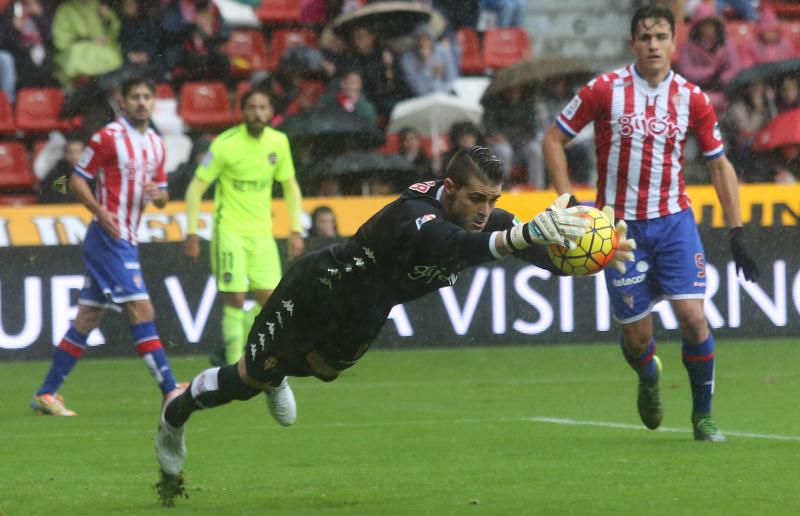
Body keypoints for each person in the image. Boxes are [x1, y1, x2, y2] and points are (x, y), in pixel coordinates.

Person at [153, 146, 637, 505]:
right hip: (315, 292)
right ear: (449, 190)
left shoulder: (478, 218)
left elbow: (533, 247)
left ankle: (278, 373)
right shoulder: (414, 215)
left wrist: (591, 256)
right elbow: (455, 250)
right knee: (246, 379)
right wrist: (520, 234)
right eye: (475, 199)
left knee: (324, 369)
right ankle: (177, 412)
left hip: (365, 313)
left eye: (492, 200)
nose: (485, 211)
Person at [542, 5, 760, 442]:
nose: (654, 45)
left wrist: (737, 231)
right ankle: (648, 375)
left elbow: (719, 165)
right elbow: (553, 139)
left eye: (661, 36)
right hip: (620, 232)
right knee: (638, 338)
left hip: (674, 222)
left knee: (693, 318)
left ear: (674, 43)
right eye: (645, 37)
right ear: (633, 44)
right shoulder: (605, 90)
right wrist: (568, 203)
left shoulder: (691, 97)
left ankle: (703, 417)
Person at [31, 76, 181, 416]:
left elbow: (162, 192)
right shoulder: (108, 138)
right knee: (143, 311)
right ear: (123, 102)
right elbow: (76, 180)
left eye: (147, 96)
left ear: (153, 101)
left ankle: (46, 394)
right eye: (135, 97)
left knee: (87, 317)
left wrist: (160, 196)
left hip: (127, 238)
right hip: (107, 239)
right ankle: (170, 389)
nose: (142, 102)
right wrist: (100, 211)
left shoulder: (157, 143)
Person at [184, 89, 305, 367]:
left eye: (263, 107)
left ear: (271, 112)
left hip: (262, 234)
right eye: (252, 107)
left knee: (272, 303)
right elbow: (195, 189)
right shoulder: (224, 145)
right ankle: (233, 363)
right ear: (243, 112)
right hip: (229, 232)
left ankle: (228, 345)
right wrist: (192, 232)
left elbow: (290, 186)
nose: (258, 113)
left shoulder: (279, 142)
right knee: (236, 298)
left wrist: (296, 230)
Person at [52, 0, 123, 88]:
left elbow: (115, 31)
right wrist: (89, 40)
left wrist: (108, 16)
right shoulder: (65, 10)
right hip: (76, 54)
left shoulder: (98, 6)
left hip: (105, 56)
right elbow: (61, 40)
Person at [38, 136, 85, 204]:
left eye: (78, 152)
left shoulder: (91, 173)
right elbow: (58, 197)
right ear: (65, 155)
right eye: (71, 152)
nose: (75, 157)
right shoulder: (59, 173)